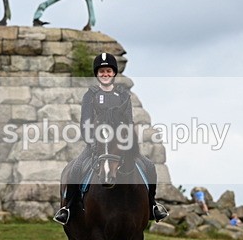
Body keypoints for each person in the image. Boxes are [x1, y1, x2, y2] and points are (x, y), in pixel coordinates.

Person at [53, 52, 168, 225]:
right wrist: (91, 141)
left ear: (113, 73)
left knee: (149, 166)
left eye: (108, 71)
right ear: (97, 74)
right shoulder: (90, 95)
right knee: (76, 169)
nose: (105, 74)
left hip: (120, 146)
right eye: (102, 72)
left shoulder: (123, 95)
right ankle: (68, 208)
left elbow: (128, 122)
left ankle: (152, 205)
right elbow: (85, 122)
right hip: (96, 144)